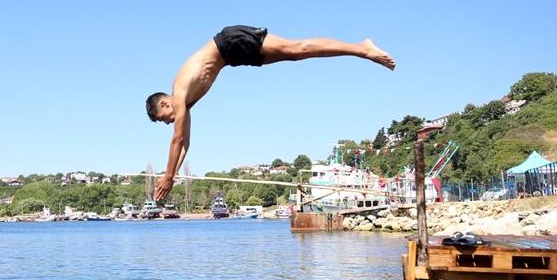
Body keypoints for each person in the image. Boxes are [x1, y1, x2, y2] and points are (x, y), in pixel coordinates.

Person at [145, 25, 396, 202]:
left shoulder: (179, 95)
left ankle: (362, 49)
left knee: (299, 49)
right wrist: (172, 176)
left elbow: (177, 140)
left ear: (165, 104)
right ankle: (360, 49)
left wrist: (167, 178)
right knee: (296, 55)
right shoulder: (185, 103)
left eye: (162, 119)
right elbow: (186, 143)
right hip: (232, 54)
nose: (167, 123)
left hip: (230, 43)